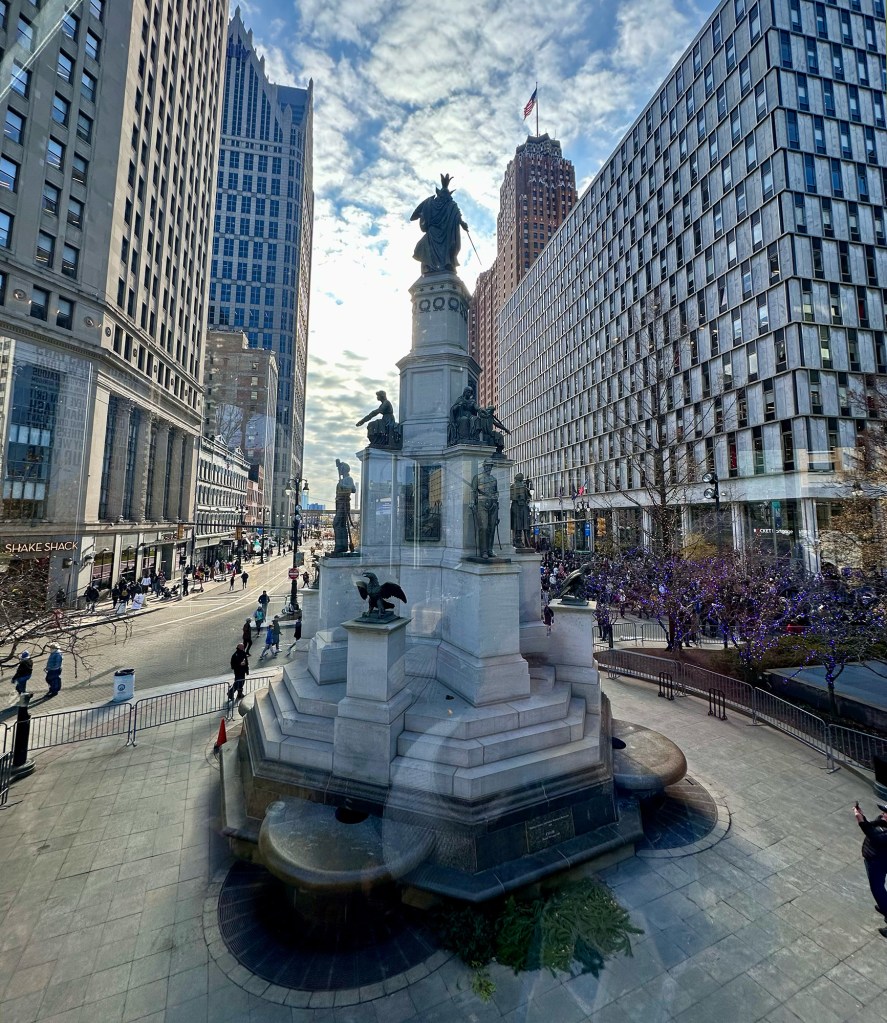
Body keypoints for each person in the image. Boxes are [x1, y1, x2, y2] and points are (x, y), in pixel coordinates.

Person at [410, 172, 468, 274]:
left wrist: (462, 223)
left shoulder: (450, 204)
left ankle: (446, 264)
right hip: (433, 233)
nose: (445, 198)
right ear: (439, 194)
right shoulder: (431, 202)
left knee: (447, 248)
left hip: (446, 234)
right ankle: (429, 267)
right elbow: (415, 215)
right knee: (424, 247)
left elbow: (457, 215)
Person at [854, 801, 887, 936]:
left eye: (885, 813)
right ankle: (884, 904)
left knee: (877, 888)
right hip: (874, 859)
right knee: (879, 888)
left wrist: (861, 821)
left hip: (879, 862)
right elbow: (871, 827)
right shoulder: (882, 821)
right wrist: (863, 818)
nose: (882, 814)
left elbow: (875, 837)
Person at [471, 459, 499, 558]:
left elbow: (496, 492)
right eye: (487, 466)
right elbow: (473, 492)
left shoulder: (494, 479)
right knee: (484, 528)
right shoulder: (477, 478)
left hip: (493, 504)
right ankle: (484, 551)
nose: (488, 468)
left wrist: (496, 498)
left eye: (490, 466)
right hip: (481, 504)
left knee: (492, 528)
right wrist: (473, 503)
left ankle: (490, 549)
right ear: (484, 466)